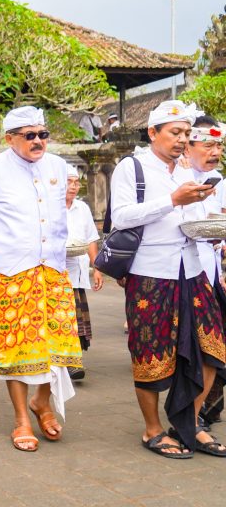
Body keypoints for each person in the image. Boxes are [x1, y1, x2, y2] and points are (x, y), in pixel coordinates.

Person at [111, 100, 226, 459]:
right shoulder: (131, 167)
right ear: (152, 133)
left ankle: (190, 422)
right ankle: (153, 430)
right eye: (175, 133)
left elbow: (192, 219)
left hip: (192, 269)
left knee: (213, 349)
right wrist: (171, 200)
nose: (181, 141)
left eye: (186, 134)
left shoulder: (186, 171)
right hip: (150, 272)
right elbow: (122, 216)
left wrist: (209, 228)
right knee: (151, 353)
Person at [0, 106, 83, 452]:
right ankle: (21, 418)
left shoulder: (59, 167)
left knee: (56, 347)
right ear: (10, 138)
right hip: (9, 273)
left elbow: (59, 217)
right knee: (15, 350)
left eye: (42, 134)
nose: (38, 141)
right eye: (29, 135)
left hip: (52, 270)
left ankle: (42, 402)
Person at [187, 117, 226, 432]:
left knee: (213, 347)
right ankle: (187, 415)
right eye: (209, 145)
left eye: (219, 145)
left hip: (212, 272)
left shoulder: (219, 180)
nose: (216, 152)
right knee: (193, 349)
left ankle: (202, 413)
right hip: (181, 273)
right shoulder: (177, 177)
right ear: (190, 144)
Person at [64, 165, 103, 380]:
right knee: (64, 318)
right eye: (68, 182)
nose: (73, 186)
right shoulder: (49, 209)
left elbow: (90, 238)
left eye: (76, 182)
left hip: (78, 273)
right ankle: (69, 361)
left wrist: (96, 268)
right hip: (56, 274)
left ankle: (74, 359)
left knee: (77, 319)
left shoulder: (82, 208)